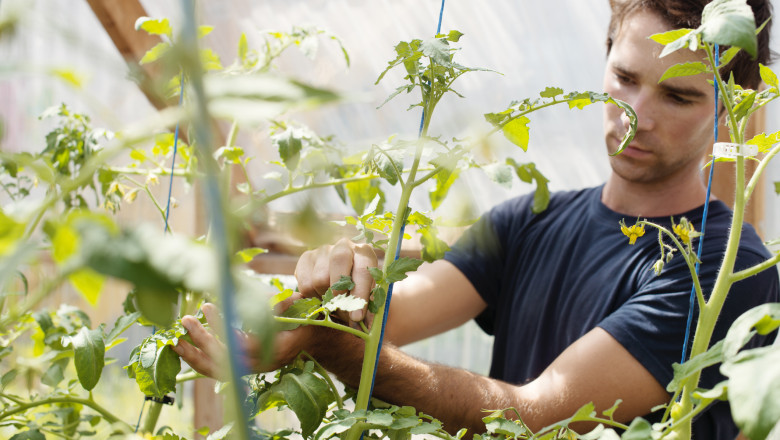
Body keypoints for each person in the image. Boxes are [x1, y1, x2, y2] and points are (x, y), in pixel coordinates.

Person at [173, 0, 779, 438]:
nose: (636, 115)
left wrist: (340, 350)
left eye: (677, 96)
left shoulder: (726, 268)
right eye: (624, 78)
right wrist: (306, 305)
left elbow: (537, 416)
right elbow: (391, 310)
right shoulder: (530, 220)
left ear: (731, 107)